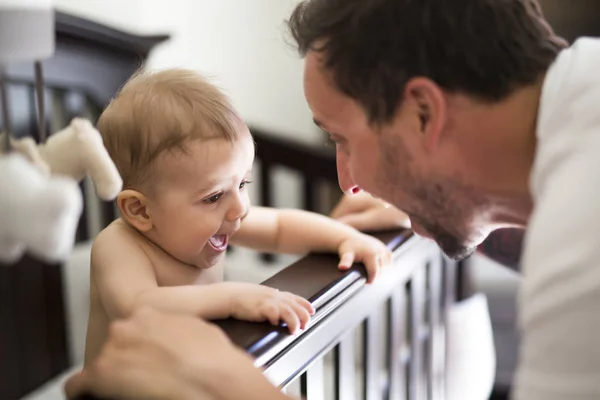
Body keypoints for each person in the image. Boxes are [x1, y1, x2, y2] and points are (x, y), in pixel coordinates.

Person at [66, 0, 600, 399]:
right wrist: (451, 210)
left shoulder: (582, 221)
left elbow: (277, 228)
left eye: (342, 139)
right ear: (138, 208)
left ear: (423, 114)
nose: (347, 184)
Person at [82, 68, 391, 366]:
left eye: (243, 183)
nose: (240, 207)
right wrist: (233, 298)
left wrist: (344, 237)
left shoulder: (213, 221)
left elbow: (280, 228)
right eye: (214, 196)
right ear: (140, 210)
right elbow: (138, 308)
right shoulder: (119, 245)